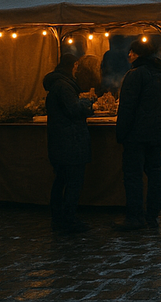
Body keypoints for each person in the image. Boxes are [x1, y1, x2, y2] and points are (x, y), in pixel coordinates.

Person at [114, 36, 161, 231]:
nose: (129, 55)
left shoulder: (135, 75)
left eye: (131, 52)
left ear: (138, 54)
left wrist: (121, 133)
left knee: (133, 175)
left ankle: (134, 216)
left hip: (136, 135)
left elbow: (127, 108)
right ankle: (153, 214)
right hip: (157, 133)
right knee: (155, 172)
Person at [43, 53, 94, 234]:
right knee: (72, 181)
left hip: (60, 141)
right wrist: (87, 103)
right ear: (72, 66)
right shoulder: (64, 86)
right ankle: (68, 219)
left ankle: (59, 218)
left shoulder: (58, 85)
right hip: (70, 141)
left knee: (61, 180)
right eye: (75, 66)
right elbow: (73, 110)